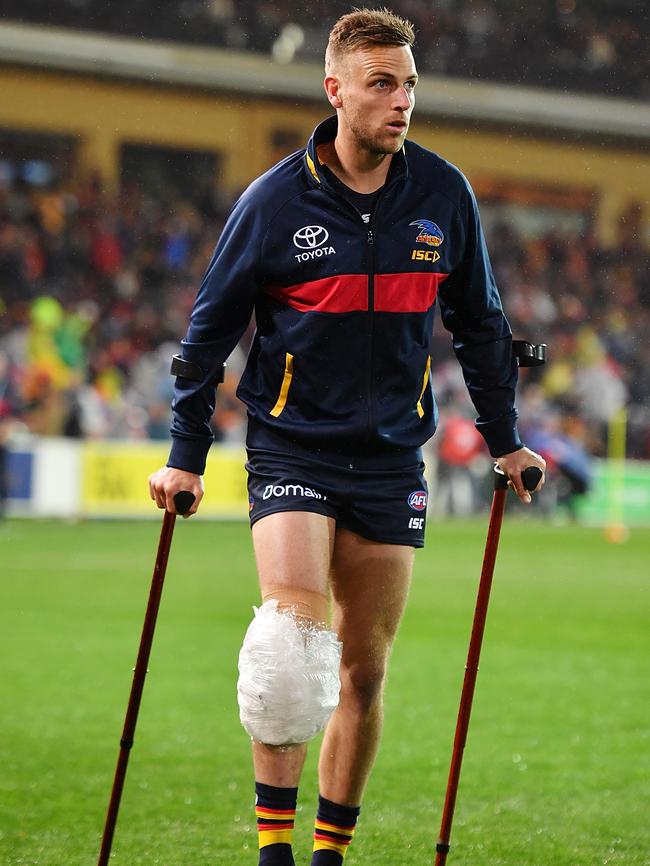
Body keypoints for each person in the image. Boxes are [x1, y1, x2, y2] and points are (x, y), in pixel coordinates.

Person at [149, 8, 546, 865]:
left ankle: (330, 852)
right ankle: (274, 851)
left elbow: (480, 326)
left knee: (363, 670)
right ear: (335, 90)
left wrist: (506, 439)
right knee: (291, 641)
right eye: (381, 84)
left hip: (393, 457)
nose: (401, 100)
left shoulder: (444, 193)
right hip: (292, 446)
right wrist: (186, 454)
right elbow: (208, 332)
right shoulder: (272, 202)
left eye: (408, 84)